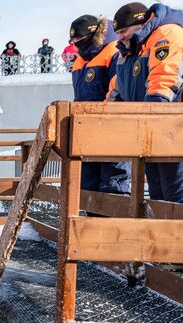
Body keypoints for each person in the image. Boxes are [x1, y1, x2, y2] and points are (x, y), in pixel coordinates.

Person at [108, 2, 183, 203]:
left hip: (172, 130)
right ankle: (162, 234)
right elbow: (117, 89)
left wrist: (150, 116)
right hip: (151, 134)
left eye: (124, 30)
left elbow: (165, 78)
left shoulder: (167, 34)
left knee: (176, 194)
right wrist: (103, 118)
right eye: (117, 33)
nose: (120, 37)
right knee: (159, 196)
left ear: (141, 22)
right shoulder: (130, 52)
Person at [70, 14, 131, 196]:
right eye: (73, 40)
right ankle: (90, 223)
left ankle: (113, 224)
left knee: (113, 182)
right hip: (87, 130)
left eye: (78, 40)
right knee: (88, 185)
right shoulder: (80, 60)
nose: (75, 44)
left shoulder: (113, 52)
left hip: (110, 127)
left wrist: (105, 118)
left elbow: (117, 90)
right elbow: (80, 96)